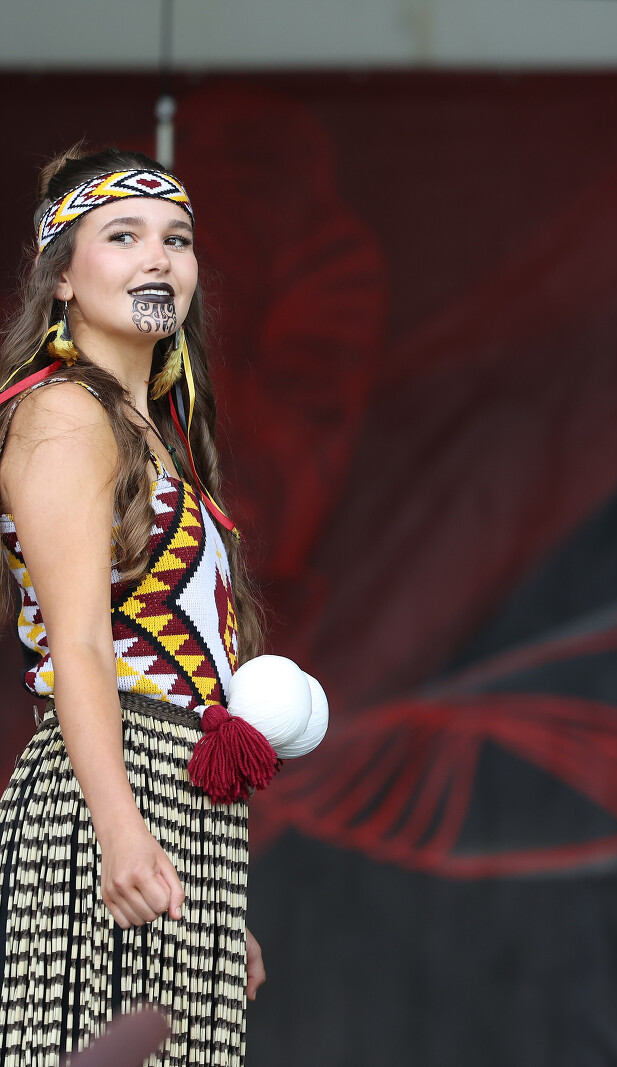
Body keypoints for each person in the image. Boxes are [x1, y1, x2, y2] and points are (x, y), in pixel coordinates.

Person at [0, 147, 267, 1064]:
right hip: (106, 797)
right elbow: (78, 643)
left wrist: (215, 904)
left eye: (177, 239)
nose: (159, 257)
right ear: (63, 278)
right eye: (124, 236)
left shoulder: (159, 434)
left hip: (183, 807)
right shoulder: (64, 414)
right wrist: (119, 827)